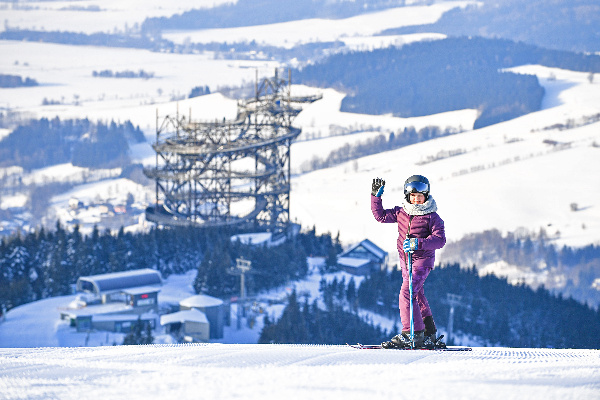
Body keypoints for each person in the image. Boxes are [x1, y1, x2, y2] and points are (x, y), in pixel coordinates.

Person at [371, 175, 446, 349]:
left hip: (422, 261)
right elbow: (380, 216)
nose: (417, 200)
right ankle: (429, 333)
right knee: (417, 296)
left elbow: (439, 240)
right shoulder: (401, 212)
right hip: (406, 262)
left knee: (407, 294)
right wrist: (376, 197)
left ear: (426, 196)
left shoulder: (432, 217)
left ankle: (411, 334)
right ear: (407, 196)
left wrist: (418, 243)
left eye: (420, 196)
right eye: (413, 196)